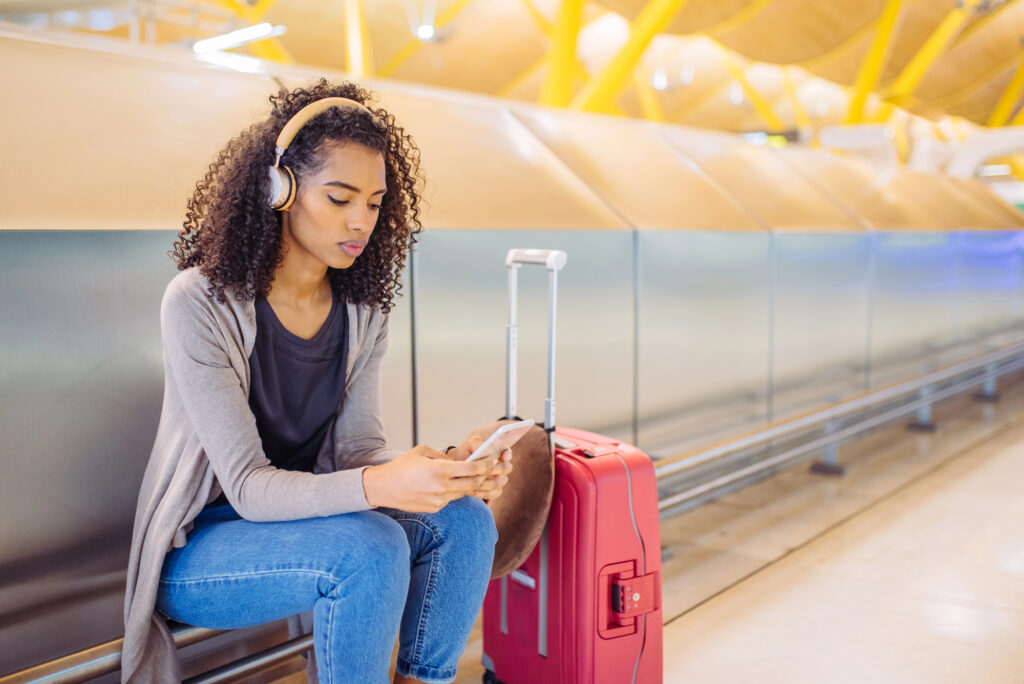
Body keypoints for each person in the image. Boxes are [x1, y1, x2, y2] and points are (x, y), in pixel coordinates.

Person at [121, 79, 512, 684]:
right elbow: (248, 487)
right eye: (339, 198)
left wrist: (442, 470)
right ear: (280, 189)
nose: (362, 221)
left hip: (308, 524)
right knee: (371, 549)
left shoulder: (363, 310)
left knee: (465, 520)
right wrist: (384, 483)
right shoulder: (198, 303)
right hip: (201, 548)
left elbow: (356, 453)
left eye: (376, 203)